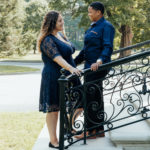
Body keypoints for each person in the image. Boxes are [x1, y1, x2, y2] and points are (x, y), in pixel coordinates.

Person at [37, 10, 81, 149]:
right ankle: (53, 140)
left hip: (68, 76)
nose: (63, 23)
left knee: (81, 100)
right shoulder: (47, 39)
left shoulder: (61, 35)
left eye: (62, 20)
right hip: (53, 76)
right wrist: (71, 68)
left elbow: (69, 53)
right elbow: (58, 58)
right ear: (52, 23)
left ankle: (68, 126)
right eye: (60, 21)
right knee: (53, 109)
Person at [74, 1, 115, 138]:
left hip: (98, 66)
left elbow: (108, 46)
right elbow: (85, 51)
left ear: (99, 12)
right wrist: (73, 63)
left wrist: (99, 60)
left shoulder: (107, 26)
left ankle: (90, 130)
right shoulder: (91, 27)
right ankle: (98, 130)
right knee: (94, 96)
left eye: (90, 11)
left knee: (90, 97)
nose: (89, 14)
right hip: (89, 68)